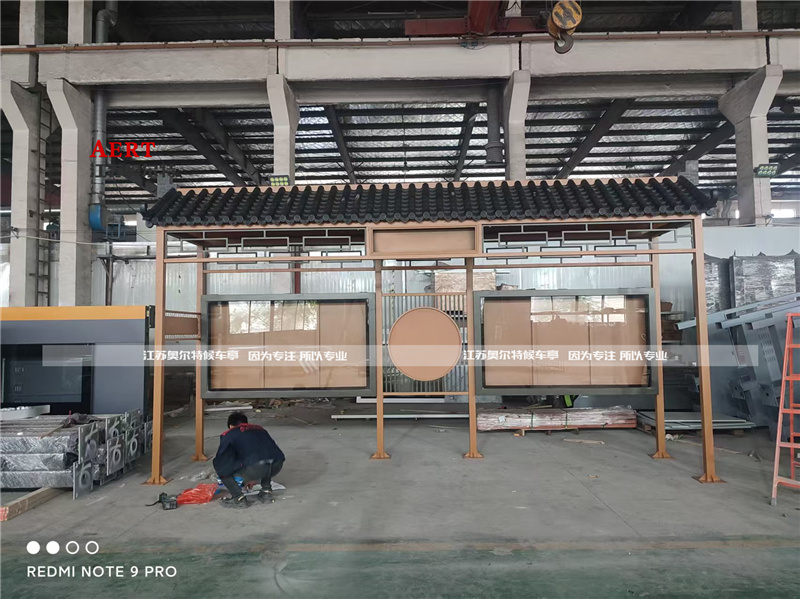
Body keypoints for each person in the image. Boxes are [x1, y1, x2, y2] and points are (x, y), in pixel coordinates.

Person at [213, 412, 285, 509]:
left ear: (231, 426)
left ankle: (238, 498)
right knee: (265, 459)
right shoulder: (261, 429)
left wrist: (249, 473)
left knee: (220, 465)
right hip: (277, 464)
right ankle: (266, 492)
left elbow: (222, 458)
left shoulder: (229, 434)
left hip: (257, 467)